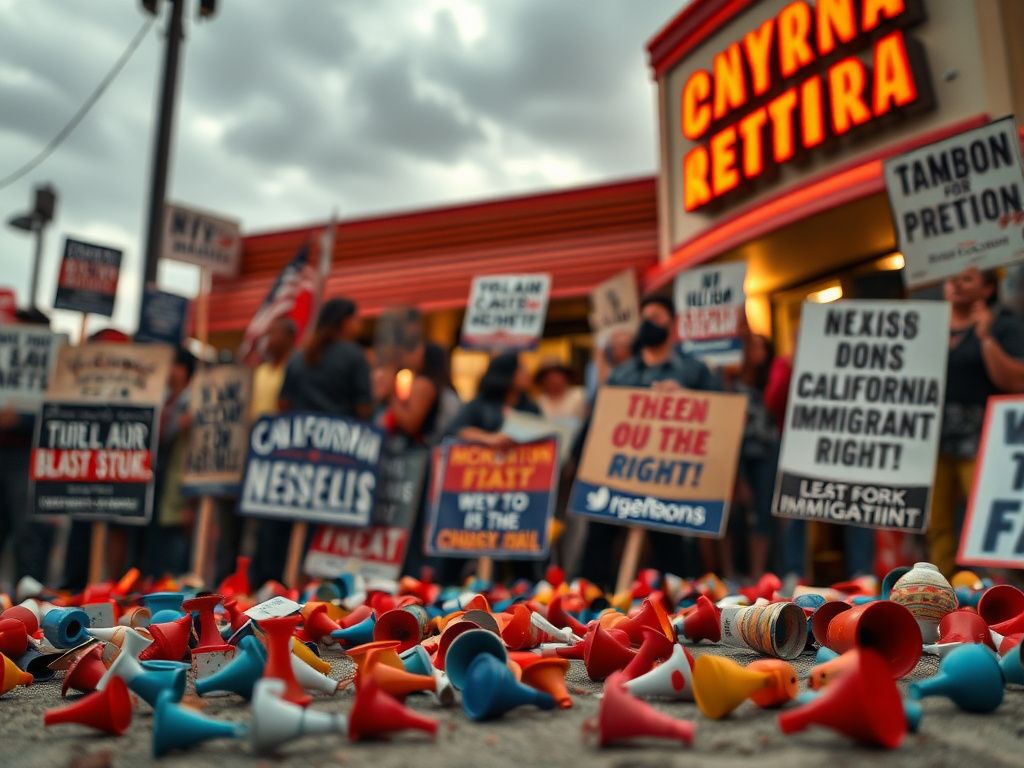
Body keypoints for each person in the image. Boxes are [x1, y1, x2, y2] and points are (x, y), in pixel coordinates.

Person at [576, 295, 720, 588]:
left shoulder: (694, 370)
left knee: (670, 547)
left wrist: (686, 399)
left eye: (656, 315)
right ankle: (588, 605)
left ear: (673, 322)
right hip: (620, 474)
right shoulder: (622, 373)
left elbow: (721, 413)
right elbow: (603, 419)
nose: (648, 322)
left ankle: (678, 609)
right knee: (598, 540)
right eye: (645, 316)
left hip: (668, 478)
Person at [252, 298, 373, 587]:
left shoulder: (300, 355)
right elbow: (364, 409)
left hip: (293, 455)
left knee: (280, 522)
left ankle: (270, 585)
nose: (359, 325)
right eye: (356, 319)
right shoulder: (355, 357)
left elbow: (283, 402)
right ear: (344, 321)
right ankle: (304, 589)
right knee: (319, 529)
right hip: (336, 461)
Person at [931, 266, 1024, 575]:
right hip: (933, 441)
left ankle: (999, 596)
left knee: (989, 524)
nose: (955, 283)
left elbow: (1015, 380)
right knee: (937, 525)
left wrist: (986, 339)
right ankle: (934, 593)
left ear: (987, 289)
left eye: (966, 278)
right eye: (951, 277)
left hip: (985, 441)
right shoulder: (928, 326)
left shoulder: (1004, 325)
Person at [439, 351, 540, 583]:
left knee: (520, 549)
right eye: (521, 369)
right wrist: (490, 439)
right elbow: (455, 430)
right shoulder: (480, 404)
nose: (527, 373)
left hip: (517, 493)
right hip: (479, 491)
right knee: (465, 543)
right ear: (508, 374)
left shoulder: (530, 406)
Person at [0, 308, 56, 587]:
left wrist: (21, 419)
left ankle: (29, 609)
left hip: (30, 457)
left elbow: (57, 414)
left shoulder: (56, 369)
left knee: (29, 536)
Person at [718, 332, 779, 580]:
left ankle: (757, 574)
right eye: (753, 345)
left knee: (761, 513)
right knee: (728, 516)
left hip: (765, 454)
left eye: (762, 346)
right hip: (734, 453)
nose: (758, 351)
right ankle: (729, 573)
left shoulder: (769, 383)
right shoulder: (728, 385)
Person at [535, 358, 587, 426]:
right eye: (549, 377)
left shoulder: (581, 395)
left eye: (558, 375)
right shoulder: (539, 402)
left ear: (566, 377)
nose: (554, 380)